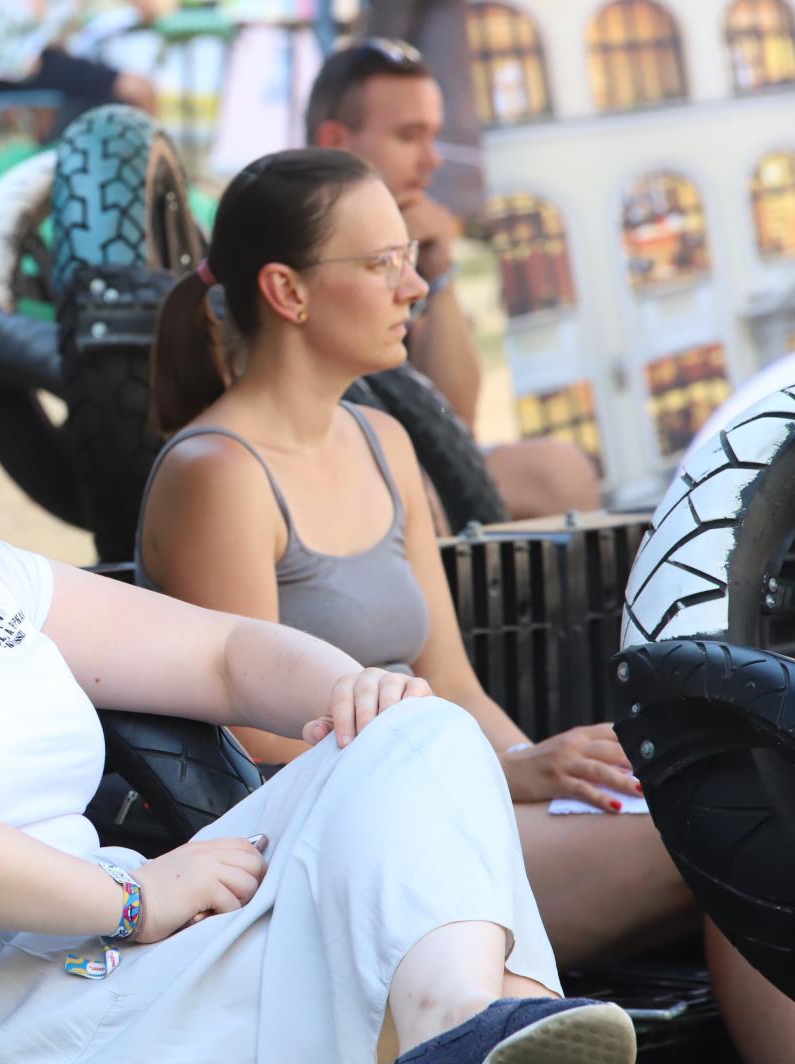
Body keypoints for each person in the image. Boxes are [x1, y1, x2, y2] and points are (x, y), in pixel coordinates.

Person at [0, 210, 636, 1064]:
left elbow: (225, 655)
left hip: (95, 958)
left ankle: (460, 1023)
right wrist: (130, 895)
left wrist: (349, 688)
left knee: (419, 730)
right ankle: (465, 1024)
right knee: (398, 962)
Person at [136, 147, 795, 1064]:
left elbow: (452, 684)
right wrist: (511, 778)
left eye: (410, 258)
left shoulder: (383, 439)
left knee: (742, 799)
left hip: (438, 801)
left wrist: (545, 767)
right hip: (333, 852)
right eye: (381, 263)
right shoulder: (218, 473)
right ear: (287, 291)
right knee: (739, 829)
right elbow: (252, 751)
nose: (413, 287)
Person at [305, 38, 600, 523]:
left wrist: (439, 271)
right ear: (337, 141)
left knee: (559, 472)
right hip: (329, 481)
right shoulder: (297, 247)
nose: (432, 160)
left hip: (410, 473)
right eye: (409, 137)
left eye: (434, 136)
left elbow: (455, 420)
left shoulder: (410, 245)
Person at [0, 0, 165, 135]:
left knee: (123, 87)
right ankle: (155, 169)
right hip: (16, 69)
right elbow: (38, 24)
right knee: (137, 87)